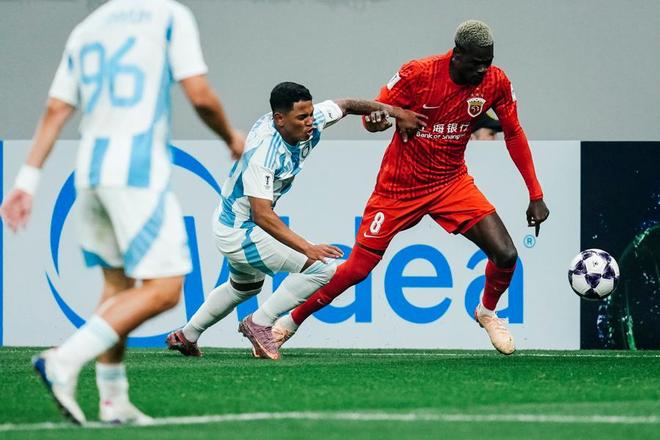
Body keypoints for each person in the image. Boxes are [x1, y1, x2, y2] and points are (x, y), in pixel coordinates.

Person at [0, 0, 244, 425]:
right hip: (136, 172)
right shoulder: (169, 16)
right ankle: (63, 359)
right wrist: (230, 137)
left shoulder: (87, 27)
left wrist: (26, 180)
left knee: (117, 287)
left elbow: (56, 109)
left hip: (90, 173)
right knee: (165, 289)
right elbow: (200, 96)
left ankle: (113, 399)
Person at [273, 20, 550, 355]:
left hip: (451, 183)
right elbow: (372, 117)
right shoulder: (418, 73)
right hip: (398, 189)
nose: (482, 70)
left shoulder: (495, 81)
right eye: (476, 62)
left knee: (506, 254)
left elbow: (514, 133)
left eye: (487, 63)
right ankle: (289, 323)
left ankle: (487, 312)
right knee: (357, 269)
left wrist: (536, 194)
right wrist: (378, 122)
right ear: (457, 54)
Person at [166, 81, 426, 360]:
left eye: (311, 114)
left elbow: (348, 104)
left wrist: (396, 112)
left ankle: (187, 335)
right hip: (241, 230)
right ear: (280, 119)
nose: (310, 121)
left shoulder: (310, 120)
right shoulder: (263, 153)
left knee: (243, 287)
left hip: (232, 221)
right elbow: (262, 214)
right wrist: (307, 248)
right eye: (302, 117)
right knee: (322, 269)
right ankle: (260, 323)